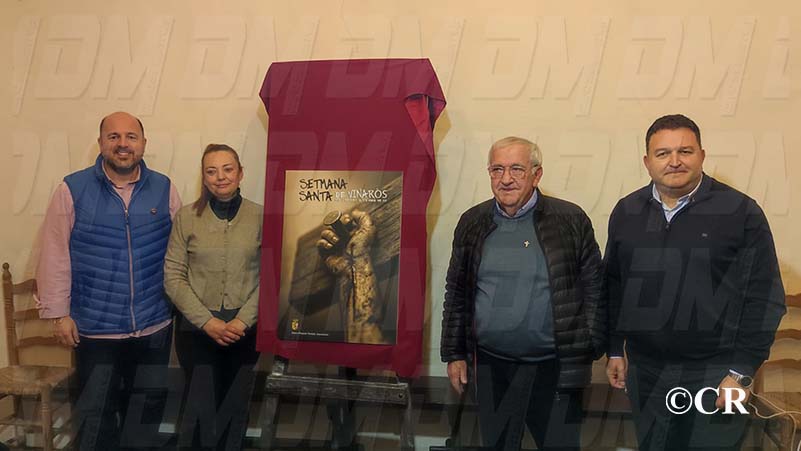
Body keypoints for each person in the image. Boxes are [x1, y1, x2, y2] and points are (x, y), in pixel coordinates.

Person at [604, 114, 786, 450]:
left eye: (685, 151)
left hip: (719, 375)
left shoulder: (741, 212)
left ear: (702, 155)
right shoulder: (626, 211)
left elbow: (765, 297)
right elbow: (615, 286)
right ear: (647, 162)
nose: (674, 161)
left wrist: (742, 371)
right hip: (647, 371)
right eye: (662, 153)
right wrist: (615, 349)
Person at [440, 136, 605, 450]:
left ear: (536, 174)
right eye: (497, 169)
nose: (506, 179)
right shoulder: (472, 222)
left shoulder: (570, 219)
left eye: (516, 169)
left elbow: (595, 288)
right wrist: (454, 353)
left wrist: (589, 347)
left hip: (554, 369)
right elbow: (457, 291)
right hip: (492, 368)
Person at [36, 111, 182, 450]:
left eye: (131, 136)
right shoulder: (72, 189)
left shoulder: (164, 188)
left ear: (143, 143)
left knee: (145, 415)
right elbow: (54, 252)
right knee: (95, 416)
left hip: (154, 325)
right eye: (113, 136)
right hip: (94, 329)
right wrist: (59, 313)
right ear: (100, 143)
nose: (123, 144)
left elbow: (180, 251)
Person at [164, 143, 262, 451]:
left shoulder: (261, 216)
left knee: (235, 407)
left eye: (228, 169)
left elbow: (271, 277)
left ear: (240, 173)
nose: (220, 177)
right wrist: (208, 322)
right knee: (198, 409)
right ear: (204, 177)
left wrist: (243, 321)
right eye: (211, 171)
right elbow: (173, 276)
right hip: (196, 332)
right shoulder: (186, 218)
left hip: (244, 331)